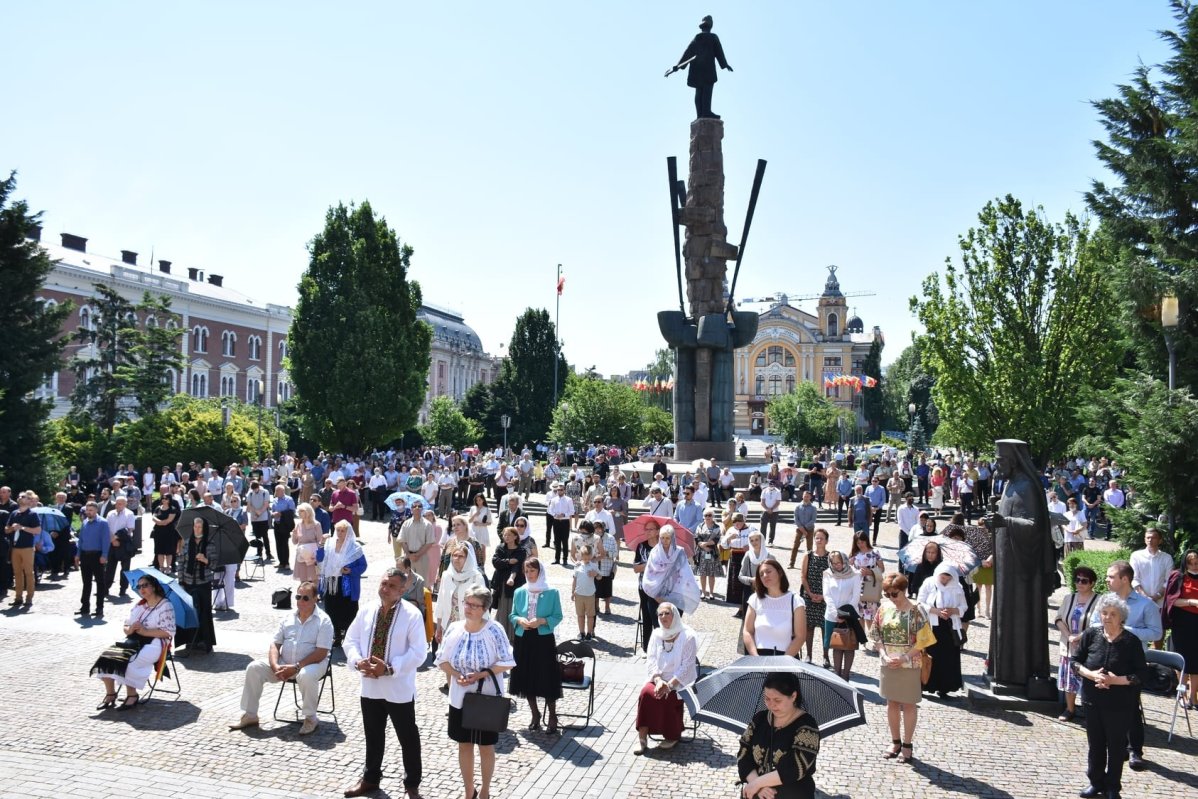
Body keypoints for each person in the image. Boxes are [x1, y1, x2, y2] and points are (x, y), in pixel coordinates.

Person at [342, 568, 427, 799]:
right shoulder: (367, 610)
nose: (385, 588)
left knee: (407, 736)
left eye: (391, 586)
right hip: (370, 686)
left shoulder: (412, 614)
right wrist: (358, 661)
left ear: (402, 590)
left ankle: (412, 784)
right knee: (373, 734)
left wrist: (390, 668)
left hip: (398, 688)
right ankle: (370, 779)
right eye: (383, 583)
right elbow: (350, 640)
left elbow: (419, 652)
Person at [435, 584, 516, 799]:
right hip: (460, 698)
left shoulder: (494, 630)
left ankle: (485, 791)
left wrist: (481, 674)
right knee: (464, 744)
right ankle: (469, 790)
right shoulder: (455, 628)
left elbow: (508, 661)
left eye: (474, 605)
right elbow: (441, 659)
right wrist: (455, 674)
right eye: (466, 603)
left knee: (486, 747)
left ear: (484, 608)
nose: (468, 608)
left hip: (485, 698)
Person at [228, 580, 333, 736]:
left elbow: (321, 653)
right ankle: (250, 715)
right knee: (254, 667)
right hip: (285, 664)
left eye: (305, 598)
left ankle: (311, 718)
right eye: (298, 597)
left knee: (305, 675)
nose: (300, 601)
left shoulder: (324, 621)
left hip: (314, 664)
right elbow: (275, 644)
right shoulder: (287, 617)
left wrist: (297, 666)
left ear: (315, 598)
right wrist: (275, 665)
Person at [1073, 594, 1150, 799]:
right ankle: (1095, 782)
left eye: (1113, 614)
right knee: (1095, 744)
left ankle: (1112, 787)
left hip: (1120, 703)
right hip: (1092, 699)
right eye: (1104, 613)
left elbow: (1141, 675)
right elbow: (1075, 662)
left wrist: (1115, 680)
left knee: (1116, 747)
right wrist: (1091, 675)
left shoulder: (1131, 642)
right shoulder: (1091, 634)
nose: (1107, 617)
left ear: (1121, 617)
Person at [1089, 559, 1162, 772]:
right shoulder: (1105, 601)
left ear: (1125, 579)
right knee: (1106, 707)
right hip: (1105, 658)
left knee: (1130, 707)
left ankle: (1135, 750)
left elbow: (1156, 632)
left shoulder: (1145, 605)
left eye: (1111, 576)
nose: (1107, 580)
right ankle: (1115, 748)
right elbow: (1094, 623)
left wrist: (1126, 630)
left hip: (1131, 664)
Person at [89, 573, 177, 711]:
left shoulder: (165, 605)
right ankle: (111, 694)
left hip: (156, 644)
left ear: (153, 587)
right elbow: (126, 626)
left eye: (145, 585)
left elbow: (169, 632)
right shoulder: (140, 605)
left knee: (130, 661)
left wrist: (145, 632)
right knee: (106, 657)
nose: (141, 589)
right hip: (134, 640)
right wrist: (130, 629)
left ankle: (132, 695)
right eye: (139, 586)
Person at [871, 573, 934, 765]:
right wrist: (883, 655)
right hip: (888, 662)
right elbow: (876, 634)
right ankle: (895, 741)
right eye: (888, 594)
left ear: (904, 590)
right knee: (891, 703)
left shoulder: (916, 610)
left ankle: (907, 744)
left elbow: (924, 640)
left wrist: (905, 657)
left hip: (909, 663)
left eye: (894, 594)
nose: (891, 598)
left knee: (908, 704)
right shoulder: (884, 608)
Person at [737, 671, 821, 799]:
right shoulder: (760, 719)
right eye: (767, 698)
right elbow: (743, 753)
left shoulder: (807, 727)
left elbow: (795, 767)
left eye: (777, 700)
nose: (771, 705)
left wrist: (758, 783)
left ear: (793, 696)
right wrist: (756, 785)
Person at [634, 602, 698, 754]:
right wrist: (658, 680)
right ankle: (642, 739)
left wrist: (669, 685)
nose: (663, 617)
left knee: (668, 697)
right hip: (658, 678)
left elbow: (687, 665)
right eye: (660, 614)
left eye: (666, 613)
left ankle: (672, 735)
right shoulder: (656, 634)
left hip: (679, 682)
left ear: (674, 615)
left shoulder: (688, 636)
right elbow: (651, 660)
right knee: (645, 694)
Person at [510, 557, 564, 734]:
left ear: (539, 571)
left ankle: (553, 716)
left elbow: (557, 616)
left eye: (532, 571)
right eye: (526, 571)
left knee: (546, 676)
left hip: (543, 639)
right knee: (525, 676)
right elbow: (512, 615)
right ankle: (535, 714)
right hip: (524, 637)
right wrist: (519, 620)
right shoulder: (520, 592)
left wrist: (542, 621)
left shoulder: (552, 592)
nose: (529, 574)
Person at [1055, 566, 1099, 722]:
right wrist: (1068, 636)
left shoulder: (1098, 601)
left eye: (1084, 581)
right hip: (1067, 646)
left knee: (1087, 681)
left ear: (1092, 583)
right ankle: (1070, 709)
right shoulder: (1069, 598)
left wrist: (1080, 637)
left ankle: (1090, 711)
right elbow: (1059, 618)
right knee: (1069, 680)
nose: (1080, 583)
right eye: (1077, 580)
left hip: (1087, 647)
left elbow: (1097, 625)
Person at [916, 562, 967, 698]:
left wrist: (953, 611)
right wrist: (936, 611)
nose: (944, 580)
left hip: (950, 627)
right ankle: (925, 684)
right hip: (932, 625)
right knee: (929, 656)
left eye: (947, 578)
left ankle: (944, 687)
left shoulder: (957, 587)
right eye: (942, 577)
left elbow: (964, 606)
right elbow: (920, 602)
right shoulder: (929, 583)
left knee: (947, 658)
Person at [317, 519, 368, 648]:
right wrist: (321, 545)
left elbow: (363, 565)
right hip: (331, 582)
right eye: (338, 530)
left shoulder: (355, 547)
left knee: (348, 610)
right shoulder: (329, 544)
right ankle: (337, 635)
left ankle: (350, 636)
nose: (339, 533)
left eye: (343, 530)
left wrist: (351, 570)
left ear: (348, 532)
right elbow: (319, 558)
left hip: (347, 584)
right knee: (331, 609)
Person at [743, 558, 804, 657]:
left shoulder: (795, 600)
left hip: (787, 659)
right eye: (761, 574)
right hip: (759, 658)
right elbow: (747, 631)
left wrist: (782, 662)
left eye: (768, 571)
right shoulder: (755, 599)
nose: (765, 576)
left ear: (780, 573)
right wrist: (755, 657)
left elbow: (800, 636)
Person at [176, 516, 218, 657]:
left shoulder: (210, 544)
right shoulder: (187, 543)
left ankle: (205, 641)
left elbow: (214, 565)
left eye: (199, 527)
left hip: (203, 582)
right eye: (195, 526)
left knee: (204, 612)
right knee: (190, 611)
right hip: (188, 582)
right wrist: (180, 581)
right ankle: (190, 640)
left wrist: (205, 560)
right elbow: (181, 563)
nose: (197, 529)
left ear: (204, 528)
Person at [434, 541, 486, 651]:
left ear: (467, 559)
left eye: (461, 556)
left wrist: (481, 629)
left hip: (470, 627)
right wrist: (438, 627)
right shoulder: (446, 575)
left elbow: (483, 606)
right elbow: (441, 602)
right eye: (454, 555)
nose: (456, 559)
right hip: (449, 625)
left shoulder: (476, 577)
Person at [1163, 548, 1198, 710]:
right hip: (1182, 622)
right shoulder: (1178, 576)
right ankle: (1182, 695)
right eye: (1191, 563)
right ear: (1185, 562)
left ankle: (1194, 697)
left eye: (1197, 562)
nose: (1195, 565)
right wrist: (1191, 602)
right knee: (1182, 659)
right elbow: (1171, 601)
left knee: (1196, 661)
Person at [641, 526, 698, 624]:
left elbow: (685, 574)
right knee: (658, 628)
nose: (664, 540)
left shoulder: (679, 552)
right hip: (656, 597)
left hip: (675, 596)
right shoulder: (655, 552)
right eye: (662, 537)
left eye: (667, 538)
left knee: (674, 628)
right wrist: (657, 596)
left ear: (672, 538)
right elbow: (649, 575)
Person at [822, 551, 863, 681]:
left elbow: (856, 596)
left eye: (839, 563)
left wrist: (845, 614)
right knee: (836, 645)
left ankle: (846, 675)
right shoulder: (828, 573)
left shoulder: (855, 574)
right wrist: (835, 613)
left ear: (844, 562)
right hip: (832, 615)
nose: (836, 566)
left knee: (849, 645)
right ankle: (837, 674)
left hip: (850, 615)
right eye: (833, 563)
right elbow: (827, 595)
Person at [1130, 528, 1172, 635]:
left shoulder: (1167, 558)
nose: (1150, 540)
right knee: (1138, 631)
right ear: (1144, 539)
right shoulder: (1136, 556)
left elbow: (1168, 581)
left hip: (1160, 602)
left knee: (1159, 631)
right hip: (1139, 601)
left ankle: (1157, 652)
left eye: (1154, 537)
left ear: (1160, 540)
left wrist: (1156, 596)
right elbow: (1134, 578)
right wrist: (1145, 597)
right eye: (1148, 537)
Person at [799, 529, 831, 666]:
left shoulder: (831, 557)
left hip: (825, 597)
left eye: (822, 538)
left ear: (826, 540)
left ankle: (826, 656)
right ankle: (809, 655)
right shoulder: (808, 555)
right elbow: (803, 576)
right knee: (809, 627)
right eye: (817, 538)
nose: (819, 540)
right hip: (810, 595)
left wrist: (824, 596)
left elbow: (833, 578)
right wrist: (810, 593)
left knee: (825, 628)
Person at [633, 518, 663, 650]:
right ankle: (647, 647)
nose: (648, 531)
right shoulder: (641, 546)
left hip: (661, 588)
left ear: (657, 531)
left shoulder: (664, 546)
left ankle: (661, 644)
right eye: (647, 529)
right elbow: (636, 568)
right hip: (644, 586)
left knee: (660, 616)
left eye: (651, 529)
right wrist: (649, 564)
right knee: (647, 616)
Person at [398, 502, 440, 589]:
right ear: (411, 509)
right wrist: (409, 555)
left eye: (419, 506)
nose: (417, 508)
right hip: (408, 557)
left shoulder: (427, 524)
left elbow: (429, 542)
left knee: (422, 583)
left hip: (422, 557)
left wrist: (418, 555)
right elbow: (402, 540)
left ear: (422, 509)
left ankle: (421, 602)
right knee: (407, 582)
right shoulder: (406, 523)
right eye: (414, 506)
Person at [103, 494, 135, 599]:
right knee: (110, 567)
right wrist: (112, 540)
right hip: (111, 543)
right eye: (117, 503)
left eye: (121, 503)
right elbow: (106, 528)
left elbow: (129, 529)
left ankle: (123, 589)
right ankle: (106, 587)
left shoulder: (129, 514)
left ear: (125, 504)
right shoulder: (110, 513)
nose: (118, 505)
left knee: (125, 569)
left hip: (124, 544)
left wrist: (116, 538)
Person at [722, 513, 753, 616]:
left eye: (739, 523)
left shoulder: (751, 529)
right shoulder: (731, 530)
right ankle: (740, 607)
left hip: (747, 557)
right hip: (735, 557)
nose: (737, 525)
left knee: (746, 582)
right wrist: (728, 538)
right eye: (735, 523)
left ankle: (748, 607)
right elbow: (724, 545)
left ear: (743, 521)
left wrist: (750, 546)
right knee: (736, 583)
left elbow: (760, 541)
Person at [738, 530, 770, 619]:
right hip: (749, 590)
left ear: (761, 540)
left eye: (756, 540)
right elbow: (740, 576)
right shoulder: (748, 556)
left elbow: (777, 577)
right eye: (751, 540)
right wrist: (751, 580)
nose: (754, 542)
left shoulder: (769, 556)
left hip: (765, 591)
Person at [694, 508, 725, 601]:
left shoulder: (716, 527)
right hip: (701, 553)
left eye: (709, 515)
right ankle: (703, 592)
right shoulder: (700, 526)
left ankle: (711, 593)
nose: (707, 517)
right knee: (702, 574)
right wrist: (702, 545)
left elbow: (717, 539)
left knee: (711, 574)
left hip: (712, 552)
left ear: (713, 516)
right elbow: (697, 537)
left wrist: (706, 544)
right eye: (706, 515)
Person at [572, 545, 600, 641]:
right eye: (584, 556)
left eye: (588, 556)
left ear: (591, 555)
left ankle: (589, 633)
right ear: (581, 555)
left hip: (590, 594)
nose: (586, 558)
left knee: (590, 615)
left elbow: (600, 577)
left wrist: (595, 574)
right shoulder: (577, 565)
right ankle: (581, 632)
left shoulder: (594, 565)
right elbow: (574, 579)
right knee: (580, 615)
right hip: (579, 594)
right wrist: (573, 592)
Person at [292, 502, 323, 584]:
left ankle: (315, 596)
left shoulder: (316, 524)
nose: (299, 513)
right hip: (302, 555)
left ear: (308, 512)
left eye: (301, 511)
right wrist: (294, 534)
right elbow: (295, 542)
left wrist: (315, 554)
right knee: (303, 579)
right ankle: (304, 596)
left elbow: (320, 541)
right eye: (298, 511)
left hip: (313, 556)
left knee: (314, 579)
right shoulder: (298, 524)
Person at [593, 521, 618, 615]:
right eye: (596, 528)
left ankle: (607, 607)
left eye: (599, 528)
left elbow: (615, 553)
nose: (598, 530)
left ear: (603, 528)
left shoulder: (611, 538)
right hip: (596, 568)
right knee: (596, 589)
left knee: (607, 590)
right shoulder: (593, 538)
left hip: (607, 567)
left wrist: (607, 553)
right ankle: (596, 606)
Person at [150, 493, 180, 573]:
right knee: (159, 550)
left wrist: (160, 522)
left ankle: (168, 567)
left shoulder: (172, 509)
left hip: (169, 532)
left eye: (166, 498)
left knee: (169, 551)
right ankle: (161, 567)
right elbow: (153, 517)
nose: (164, 500)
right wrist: (160, 522)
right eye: (163, 498)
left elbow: (169, 520)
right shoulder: (158, 508)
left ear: (169, 500)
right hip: (158, 532)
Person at [245, 480, 273, 561]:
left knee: (265, 536)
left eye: (256, 489)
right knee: (257, 536)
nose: (254, 491)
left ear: (258, 487)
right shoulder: (250, 493)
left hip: (263, 517)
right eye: (253, 489)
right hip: (254, 518)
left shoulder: (265, 492)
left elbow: (266, 504)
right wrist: (255, 511)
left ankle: (268, 553)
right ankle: (259, 553)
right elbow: (249, 504)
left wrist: (259, 512)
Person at [790, 491, 817, 568]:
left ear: (810, 497)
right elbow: (796, 518)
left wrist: (805, 528)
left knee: (809, 547)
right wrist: (802, 528)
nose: (806, 498)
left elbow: (813, 520)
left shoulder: (813, 508)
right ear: (802, 496)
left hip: (810, 529)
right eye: (805, 496)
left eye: (808, 496)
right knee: (795, 546)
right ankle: (792, 563)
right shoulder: (798, 507)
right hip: (799, 529)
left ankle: (810, 564)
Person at [467, 492, 493, 561]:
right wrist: (475, 514)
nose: (478, 502)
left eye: (480, 500)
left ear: (483, 500)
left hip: (482, 530)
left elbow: (489, 522)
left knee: (483, 549)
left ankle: (482, 566)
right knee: (473, 548)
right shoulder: (473, 508)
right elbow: (469, 521)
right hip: (473, 530)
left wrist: (480, 524)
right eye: (477, 500)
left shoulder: (487, 509)